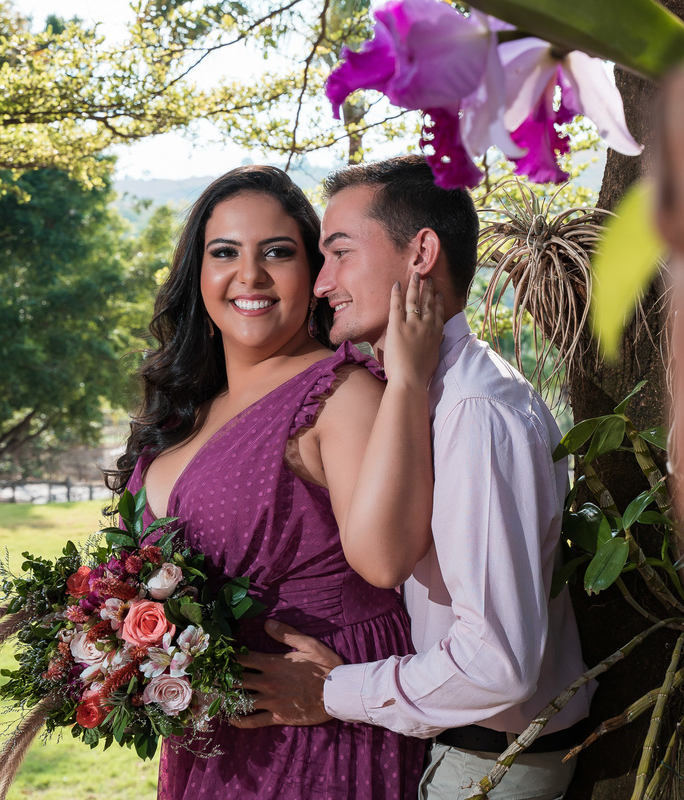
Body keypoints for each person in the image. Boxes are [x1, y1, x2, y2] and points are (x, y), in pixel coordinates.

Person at [234, 155, 593, 799]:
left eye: (340, 253)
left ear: (421, 252)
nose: (321, 284)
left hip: (491, 764)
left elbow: (497, 665)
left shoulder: (473, 412)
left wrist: (334, 692)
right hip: (468, 752)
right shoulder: (434, 393)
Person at [105, 164, 443, 800]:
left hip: (316, 720)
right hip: (211, 730)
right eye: (224, 252)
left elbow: (389, 559)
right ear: (197, 274)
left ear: (313, 276)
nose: (250, 275)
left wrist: (407, 382)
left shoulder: (341, 393)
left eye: (278, 253)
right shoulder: (193, 405)